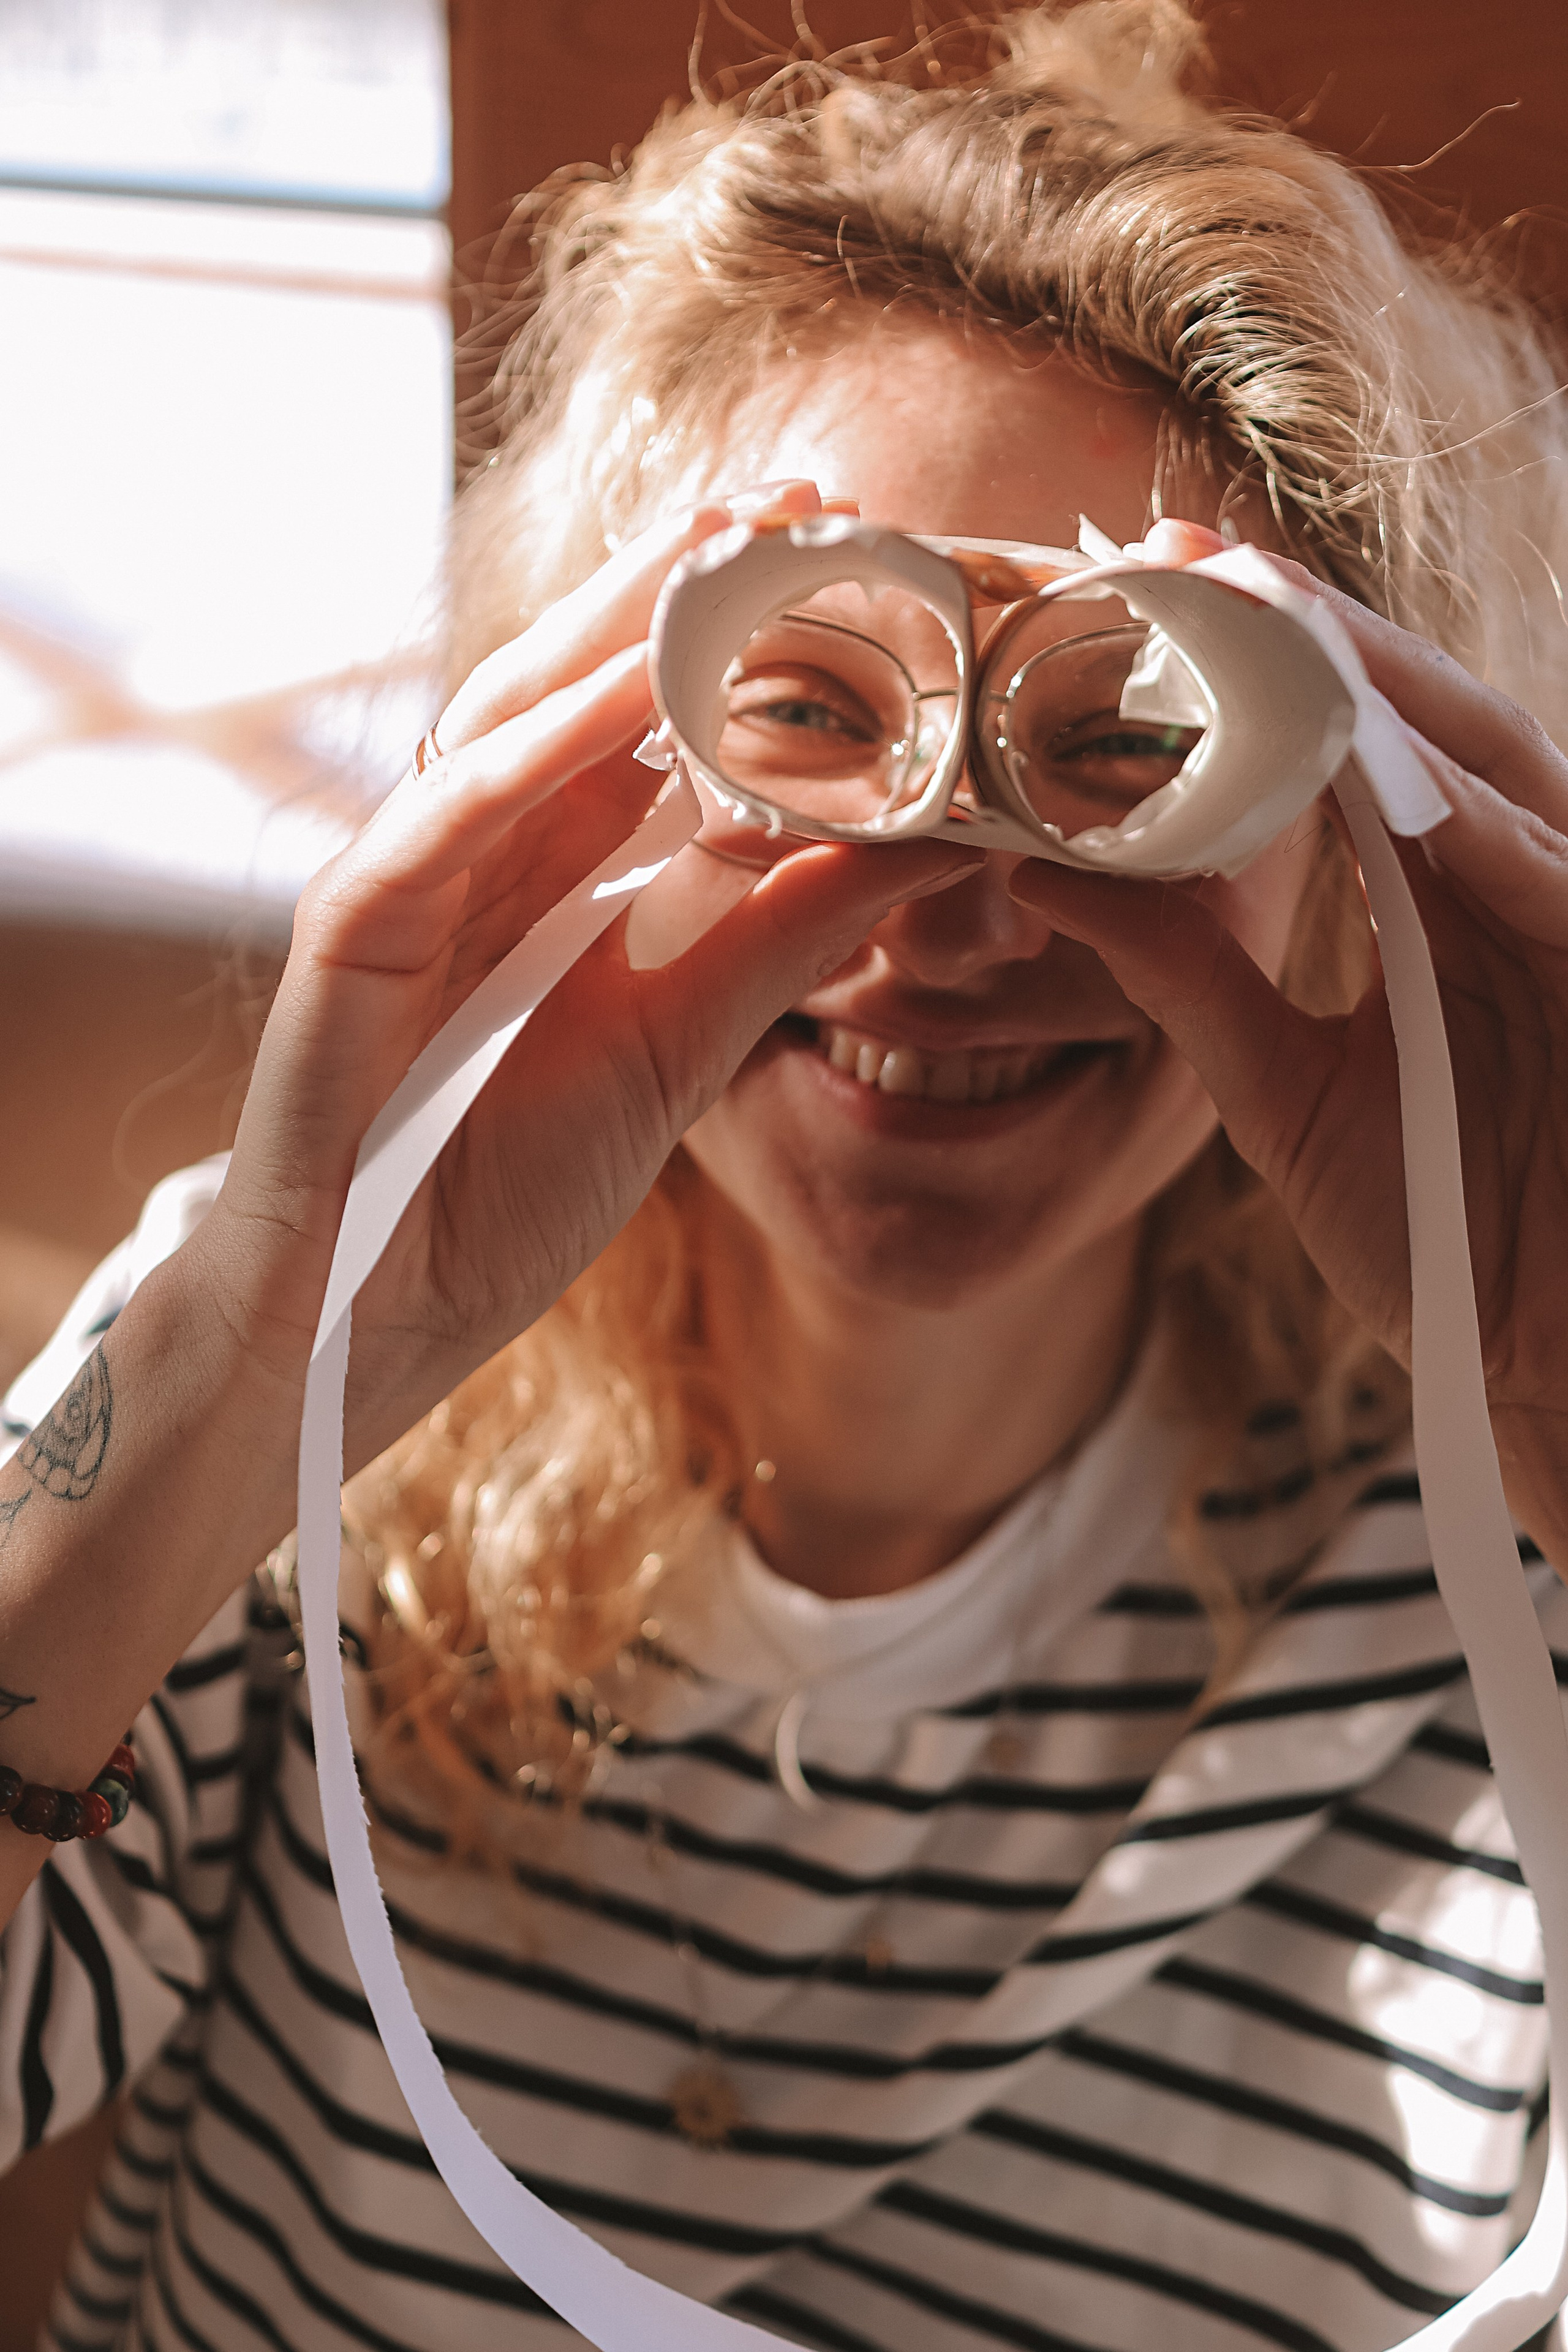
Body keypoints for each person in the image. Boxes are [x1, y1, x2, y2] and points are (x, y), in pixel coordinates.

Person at [3, 4, 1568, 2346]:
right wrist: (266, 1356)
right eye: (814, 707)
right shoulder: (264, 1401)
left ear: (1342, 836)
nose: (957, 915)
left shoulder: (1485, 1592)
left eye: (1129, 739)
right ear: (562, 770)